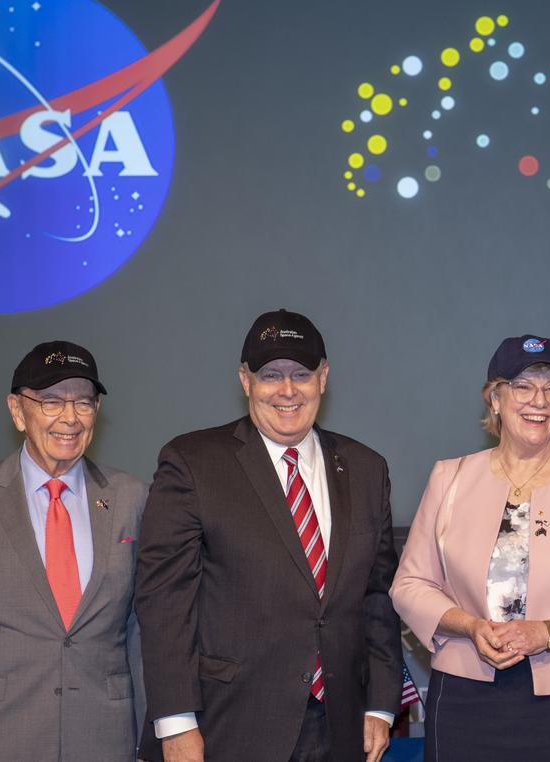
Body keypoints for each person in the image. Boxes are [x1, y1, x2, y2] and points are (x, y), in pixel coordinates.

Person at [134, 309, 403, 762]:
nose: (287, 390)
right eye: (270, 375)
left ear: (324, 377)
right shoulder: (193, 462)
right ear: (245, 380)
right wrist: (176, 721)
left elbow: (377, 596)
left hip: (340, 726)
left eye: (301, 373)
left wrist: (379, 704)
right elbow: (164, 601)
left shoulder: (366, 469)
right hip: (227, 726)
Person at [392, 334, 550, 761]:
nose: (540, 400)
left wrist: (546, 633)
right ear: (495, 398)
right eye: (523, 386)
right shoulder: (448, 479)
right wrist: (470, 626)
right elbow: (410, 585)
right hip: (463, 698)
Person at [0, 341, 148, 761]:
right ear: (17, 411)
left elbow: (144, 632)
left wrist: (156, 737)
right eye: (51, 401)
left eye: (84, 403)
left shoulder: (133, 498)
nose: (69, 418)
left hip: (106, 740)